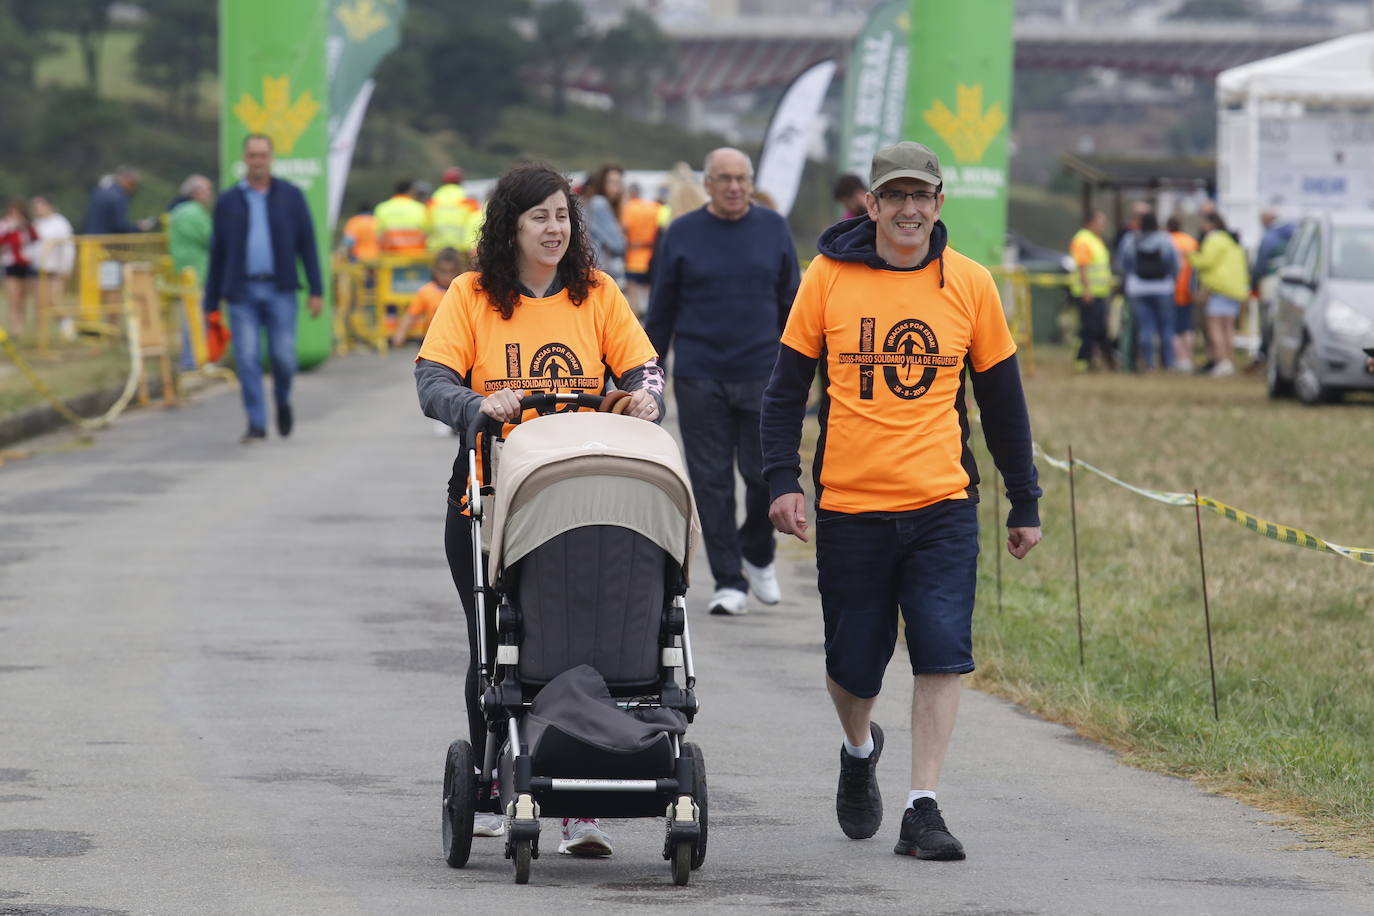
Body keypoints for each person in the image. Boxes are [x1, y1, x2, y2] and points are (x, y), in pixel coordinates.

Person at [760, 140, 1041, 862]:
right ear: (873, 205)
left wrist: (1024, 499)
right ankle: (859, 749)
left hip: (942, 503)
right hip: (850, 505)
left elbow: (1003, 404)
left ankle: (923, 805)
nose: (910, 209)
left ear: (939, 205)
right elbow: (785, 393)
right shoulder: (827, 279)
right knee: (854, 664)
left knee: (941, 650)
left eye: (923, 196)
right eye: (897, 196)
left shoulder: (971, 285)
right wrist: (782, 482)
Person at [412, 162, 664, 856]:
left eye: (562, 217)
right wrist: (475, 405)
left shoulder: (597, 295)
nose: (554, 229)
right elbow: (431, 379)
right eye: (539, 218)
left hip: (580, 499)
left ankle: (579, 801)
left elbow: (644, 367)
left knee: (583, 643)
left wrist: (646, 398)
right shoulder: (472, 297)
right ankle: (494, 783)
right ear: (511, 228)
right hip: (490, 503)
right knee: (494, 648)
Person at [645, 147, 800, 617]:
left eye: (741, 178)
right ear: (707, 185)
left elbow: (793, 305)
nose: (734, 186)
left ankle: (757, 552)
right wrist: (651, 375)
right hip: (699, 373)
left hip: (762, 373)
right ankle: (729, 580)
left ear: (751, 183)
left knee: (761, 476)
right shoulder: (681, 234)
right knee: (711, 483)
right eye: (724, 178)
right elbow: (662, 310)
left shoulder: (773, 228)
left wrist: (803, 373)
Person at [203, 134, 323, 443]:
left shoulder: (290, 196)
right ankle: (256, 422)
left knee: (283, 357)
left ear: (271, 158)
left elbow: (307, 245)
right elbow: (217, 253)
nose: (258, 161)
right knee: (247, 357)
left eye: (263, 155)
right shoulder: (229, 201)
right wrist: (211, 302)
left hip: (280, 289)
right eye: (252, 155)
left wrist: (316, 289)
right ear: (245, 158)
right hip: (241, 292)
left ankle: (282, 400)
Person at [1189, 211, 1250, 377]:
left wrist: (1191, 256)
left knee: (1214, 326)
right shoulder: (1231, 241)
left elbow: (1206, 261)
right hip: (1235, 289)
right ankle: (1229, 361)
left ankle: (1221, 361)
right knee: (1228, 327)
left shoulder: (1214, 239)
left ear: (1211, 224)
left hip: (1218, 288)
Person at [1117, 211, 1179, 372]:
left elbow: (1122, 264)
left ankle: (1149, 364)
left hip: (1138, 288)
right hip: (1163, 287)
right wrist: (1171, 278)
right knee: (1166, 327)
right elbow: (1174, 263)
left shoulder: (1131, 239)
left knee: (1146, 328)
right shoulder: (1165, 239)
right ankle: (1168, 363)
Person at [168, 175, 215, 370]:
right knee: (196, 318)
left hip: (182, 269)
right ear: (196, 193)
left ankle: (191, 359)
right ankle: (194, 360)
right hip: (197, 271)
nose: (210, 195)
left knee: (188, 317)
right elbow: (211, 238)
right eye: (207, 190)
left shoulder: (177, 211)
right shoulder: (194, 213)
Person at [1069, 210, 1114, 371]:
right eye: (1100, 222)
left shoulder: (1096, 240)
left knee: (1099, 328)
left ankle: (1094, 359)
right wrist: (1086, 290)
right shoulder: (1083, 240)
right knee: (1088, 328)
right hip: (1088, 293)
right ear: (1091, 222)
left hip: (1099, 292)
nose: (1103, 226)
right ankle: (1081, 360)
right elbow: (1082, 266)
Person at [390, 247, 462, 347]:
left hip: (457, 342)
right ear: (435, 270)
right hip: (431, 343)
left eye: (451, 271)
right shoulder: (427, 291)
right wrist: (400, 334)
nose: (446, 276)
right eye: (443, 271)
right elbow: (411, 315)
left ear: (458, 271)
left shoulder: (462, 291)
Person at [30, 196, 75, 328]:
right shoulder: (37, 223)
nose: (37, 210)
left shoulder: (60, 223)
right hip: (39, 269)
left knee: (53, 302)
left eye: (40, 206)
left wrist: (66, 267)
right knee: (39, 303)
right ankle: (40, 335)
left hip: (55, 269)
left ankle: (67, 325)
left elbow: (68, 247)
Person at [619, 183, 662, 317]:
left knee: (633, 289)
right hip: (650, 255)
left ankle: (635, 318)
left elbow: (624, 228)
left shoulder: (628, 208)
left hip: (633, 255)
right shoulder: (654, 207)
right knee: (649, 288)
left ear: (630, 194)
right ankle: (651, 314)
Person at [582, 163, 628, 288]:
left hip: (593, 268)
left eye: (619, 183)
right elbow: (618, 245)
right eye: (611, 182)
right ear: (601, 182)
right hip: (604, 270)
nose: (616, 188)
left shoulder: (591, 202)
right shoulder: (600, 203)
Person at [427, 166, 481, 265]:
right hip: (461, 250)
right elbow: (476, 222)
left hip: (438, 249)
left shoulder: (433, 200)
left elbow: (427, 223)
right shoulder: (468, 199)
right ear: (460, 181)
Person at [1, 200, 39, 336]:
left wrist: (25, 226)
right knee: (13, 297)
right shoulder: (5, 225)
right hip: (10, 264)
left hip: (26, 265)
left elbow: (35, 239)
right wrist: (11, 228)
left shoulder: (27, 227)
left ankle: (21, 327)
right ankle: (14, 328)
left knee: (22, 298)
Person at [1166, 216, 1198, 371]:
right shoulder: (1190, 241)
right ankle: (1188, 358)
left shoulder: (1166, 241)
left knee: (1174, 328)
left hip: (1171, 290)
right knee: (1187, 327)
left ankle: (1179, 359)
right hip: (1189, 290)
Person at [374, 180, 430, 256]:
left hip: (390, 258)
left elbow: (378, 236)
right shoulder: (420, 208)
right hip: (415, 258)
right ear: (411, 191)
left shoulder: (382, 208)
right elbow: (427, 234)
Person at [82, 166, 144, 234]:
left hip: (89, 240)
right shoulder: (118, 196)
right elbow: (119, 225)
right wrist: (137, 228)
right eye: (132, 184)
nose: (134, 188)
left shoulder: (99, 190)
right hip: (106, 242)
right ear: (123, 179)